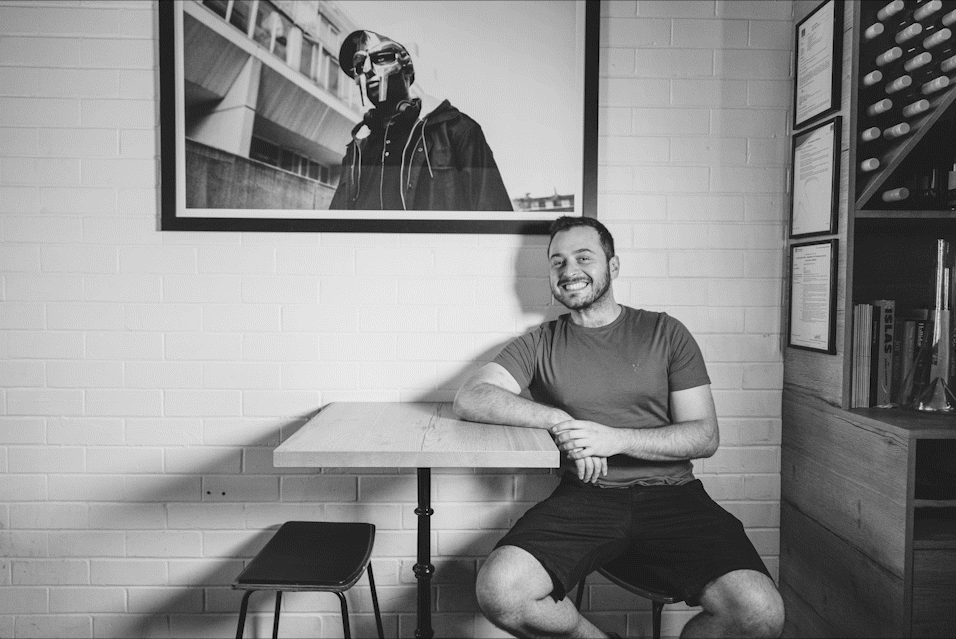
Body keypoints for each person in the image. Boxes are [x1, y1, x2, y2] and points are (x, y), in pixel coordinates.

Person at [453, 216, 785, 638]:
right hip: (586, 497)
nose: (568, 270)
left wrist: (612, 439)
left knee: (761, 612)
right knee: (500, 592)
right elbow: (472, 395)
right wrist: (560, 421)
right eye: (557, 261)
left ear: (613, 266)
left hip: (674, 496)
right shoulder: (540, 342)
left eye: (583, 257)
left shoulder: (665, 332)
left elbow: (704, 436)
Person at [329, 29, 513, 212]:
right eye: (360, 66)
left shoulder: (458, 131)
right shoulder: (356, 148)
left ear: (407, 70)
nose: (368, 70)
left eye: (382, 58)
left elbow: (495, 219)